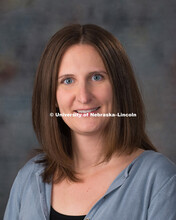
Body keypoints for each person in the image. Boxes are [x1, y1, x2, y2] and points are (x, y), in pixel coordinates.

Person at [4, 24, 176, 220]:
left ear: (119, 87)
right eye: (68, 81)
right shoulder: (28, 178)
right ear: (53, 96)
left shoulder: (160, 180)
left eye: (96, 77)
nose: (84, 97)